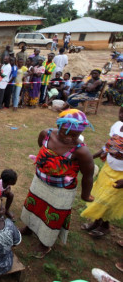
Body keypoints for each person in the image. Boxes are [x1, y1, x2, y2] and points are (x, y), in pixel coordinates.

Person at [20, 109, 95, 258]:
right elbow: (40, 146)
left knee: (53, 215)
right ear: (58, 127)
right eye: (65, 133)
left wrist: (85, 195)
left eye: (75, 135)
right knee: (34, 204)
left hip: (62, 190)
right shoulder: (46, 134)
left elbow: (88, 175)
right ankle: (29, 227)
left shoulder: (81, 151)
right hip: (40, 182)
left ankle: (45, 243)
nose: (69, 138)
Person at [80, 106, 123, 237]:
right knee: (99, 196)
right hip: (108, 170)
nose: (121, 115)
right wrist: (89, 158)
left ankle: (105, 226)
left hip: (120, 175)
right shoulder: (117, 125)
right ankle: (97, 222)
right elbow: (108, 146)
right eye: (121, 111)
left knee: (108, 201)